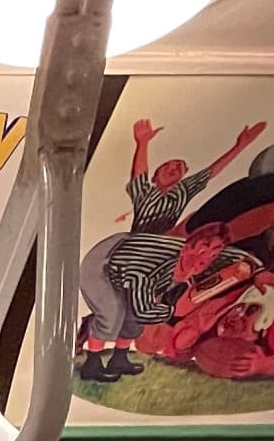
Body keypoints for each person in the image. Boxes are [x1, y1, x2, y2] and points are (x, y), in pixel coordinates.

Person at [81, 114, 265, 379]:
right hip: (131, 253)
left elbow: (210, 173)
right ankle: (92, 362)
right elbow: (139, 173)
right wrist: (142, 144)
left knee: (135, 315)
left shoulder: (181, 196)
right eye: (169, 166)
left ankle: (119, 358)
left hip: (164, 252)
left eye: (180, 168)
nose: (175, 170)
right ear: (156, 175)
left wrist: (239, 146)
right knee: (116, 311)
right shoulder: (145, 193)